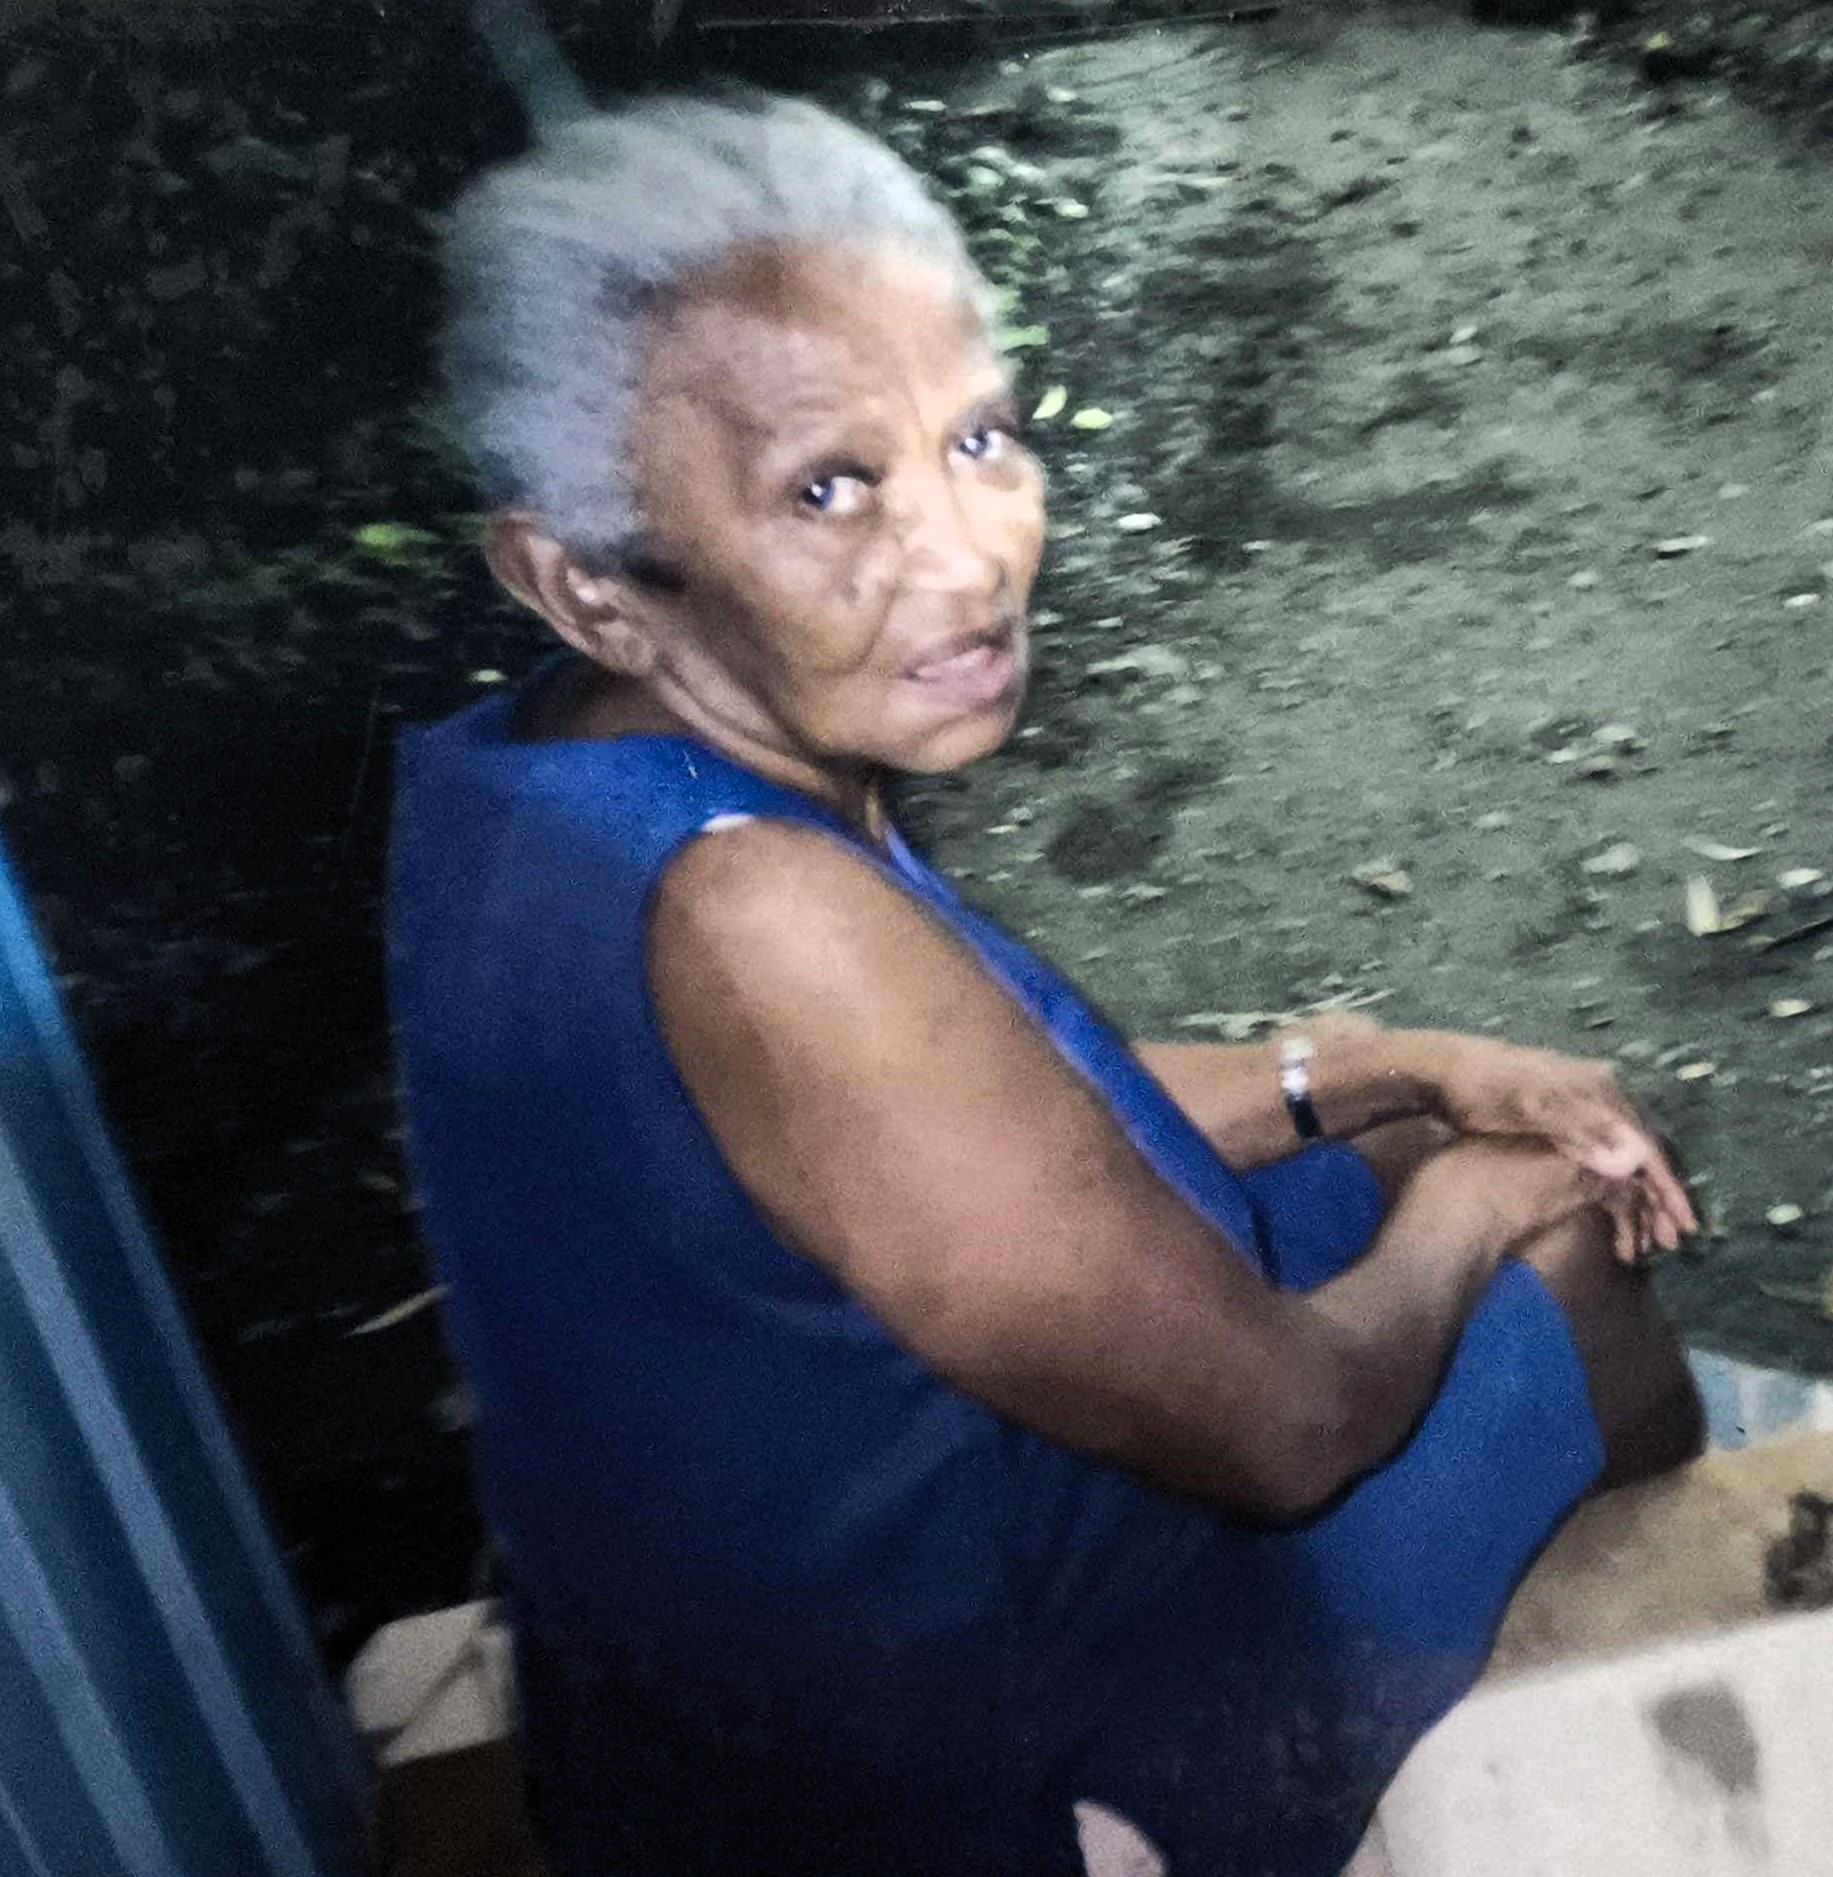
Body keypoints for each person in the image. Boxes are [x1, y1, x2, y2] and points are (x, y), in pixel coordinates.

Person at [385, 93, 1703, 1877]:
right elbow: (1288, 1430)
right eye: (828, 488)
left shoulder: (538, 788)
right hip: (962, 1767)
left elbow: (965, 1112)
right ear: (584, 583)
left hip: (698, 1698)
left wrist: (1394, 1066)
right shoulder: (768, 918)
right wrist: (1475, 1199)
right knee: (1556, 1221)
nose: (971, 556)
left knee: (1406, 1148)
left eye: (979, 436)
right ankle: (1640, 1655)